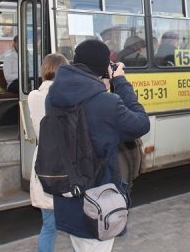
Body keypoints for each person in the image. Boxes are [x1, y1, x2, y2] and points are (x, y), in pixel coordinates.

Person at [46, 39, 150, 252]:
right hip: (98, 203)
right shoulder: (106, 103)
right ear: (104, 68)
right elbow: (141, 123)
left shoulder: (53, 97)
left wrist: (100, 85)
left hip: (68, 199)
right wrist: (120, 81)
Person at [28, 53, 69, 252]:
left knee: (48, 227)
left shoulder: (33, 96)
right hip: (66, 164)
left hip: (43, 163)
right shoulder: (67, 96)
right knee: (76, 225)